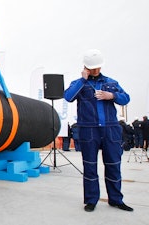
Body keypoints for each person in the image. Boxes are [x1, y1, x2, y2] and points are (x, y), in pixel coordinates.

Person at [64, 49, 133, 212]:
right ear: (86, 67)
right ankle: (91, 200)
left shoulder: (111, 83)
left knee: (113, 165)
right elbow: (68, 97)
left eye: (97, 68)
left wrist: (112, 96)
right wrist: (83, 79)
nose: (95, 70)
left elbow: (126, 98)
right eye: (92, 68)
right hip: (88, 130)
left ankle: (116, 199)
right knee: (90, 166)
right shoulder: (78, 83)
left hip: (111, 129)